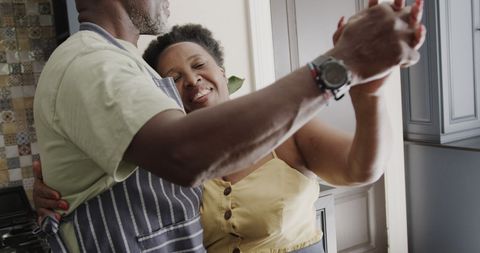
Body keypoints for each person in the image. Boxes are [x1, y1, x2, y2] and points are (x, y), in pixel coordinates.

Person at [33, 0, 425, 252]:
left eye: (199, 66)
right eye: (173, 79)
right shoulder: (95, 63)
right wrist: (341, 63)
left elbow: (363, 168)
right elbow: (183, 153)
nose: (191, 81)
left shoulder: (280, 128)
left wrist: (368, 95)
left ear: (222, 71)